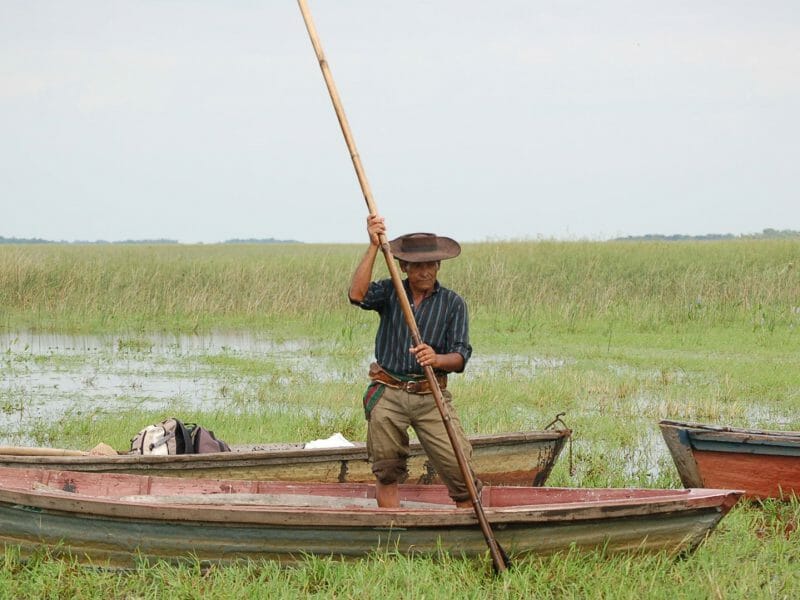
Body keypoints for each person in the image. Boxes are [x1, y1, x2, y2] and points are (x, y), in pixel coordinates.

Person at [348, 214, 480, 508]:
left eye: (430, 265)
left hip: (429, 395)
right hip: (389, 392)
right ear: (404, 267)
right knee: (387, 470)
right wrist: (372, 246)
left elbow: (460, 357)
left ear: (438, 265)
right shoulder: (391, 291)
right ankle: (392, 534)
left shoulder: (452, 303)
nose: (425, 272)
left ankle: (466, 526)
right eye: (417, 266)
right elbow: (357, 294)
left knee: (459, 467)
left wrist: (436, 358)